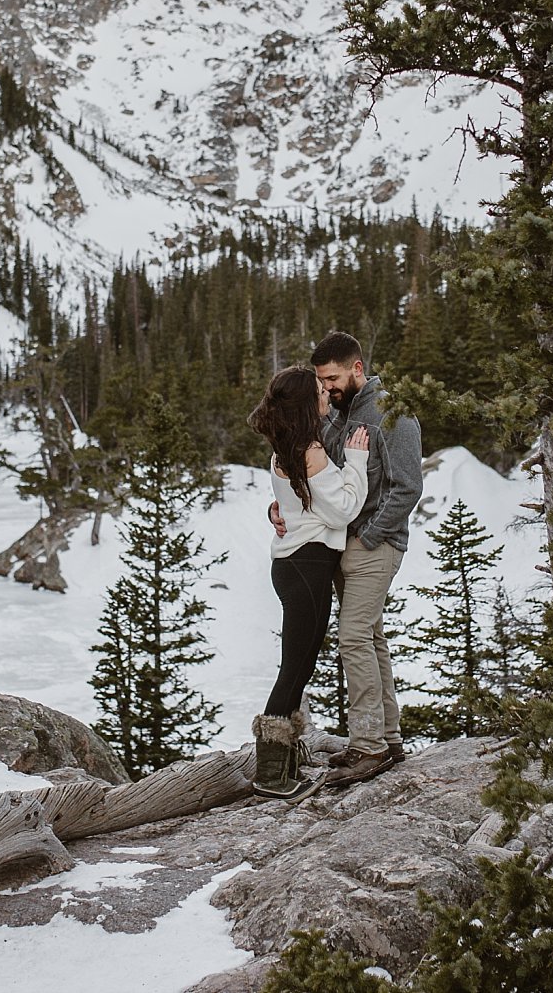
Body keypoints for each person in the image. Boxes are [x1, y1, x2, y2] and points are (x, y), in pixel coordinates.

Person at [270, 331, 424, 787]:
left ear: (357, 368)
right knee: (370, 637)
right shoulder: (334, 419)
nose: (327, 387)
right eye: (321, 381)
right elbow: (318, 483)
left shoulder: (392, 415)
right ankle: (388, 739)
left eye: (332, 378)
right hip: (340, 544)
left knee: (353, 636)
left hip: (373, 544)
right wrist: (280, 507)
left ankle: (368, 747)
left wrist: (370, 537)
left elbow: (407, 487)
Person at [245, 364, 370, 801]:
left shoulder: (288, 447)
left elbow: (299, 506)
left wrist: (277, 512)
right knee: (294, 668)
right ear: (306, 402)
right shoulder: (311, 451)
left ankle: (286, 761)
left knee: (299, 666)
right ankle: (271, 775)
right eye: (319, 389)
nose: (326, 393)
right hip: (308, 564)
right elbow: (343, 511)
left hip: (296, 564)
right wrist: (356, 459)